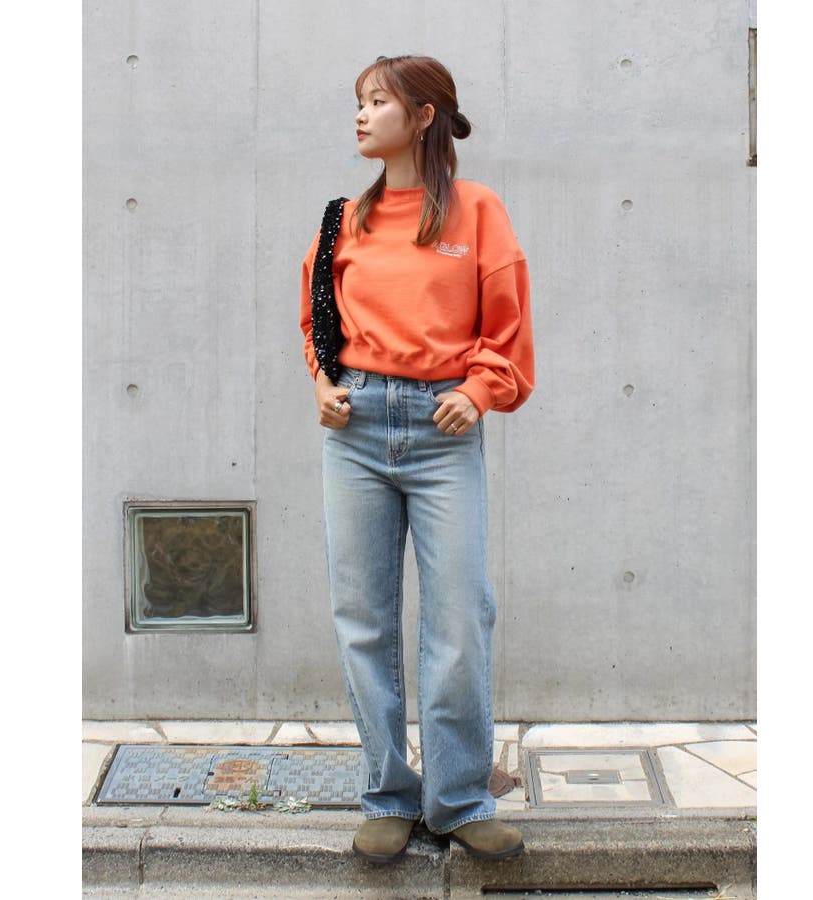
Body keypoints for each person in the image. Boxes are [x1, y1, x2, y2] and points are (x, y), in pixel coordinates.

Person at [299, 55, 534, 863]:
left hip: (442, 431)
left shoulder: (478, 211)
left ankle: (460, 798)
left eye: (378, 101)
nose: (361, 115)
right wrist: (322, 382)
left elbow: (505, 329)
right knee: (363, 618)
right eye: (359, 101)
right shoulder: (344, 218)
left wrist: (480, 389)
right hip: (356, 430)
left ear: (424, 115)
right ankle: (388, 794)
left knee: (460, 615)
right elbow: (318, 319)